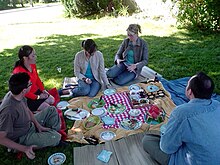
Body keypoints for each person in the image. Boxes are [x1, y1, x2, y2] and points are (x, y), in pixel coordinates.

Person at [142, 72, 220, 165]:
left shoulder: (181, 113)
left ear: (189, 91)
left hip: (192, 161)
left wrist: (167, 132)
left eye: (187, 84)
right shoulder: (217, 105)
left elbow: (166, 148)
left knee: (147, 140)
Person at [0, 73, 61, 160]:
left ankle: (50, 136)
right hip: (21, 137)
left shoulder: (17, 94)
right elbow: (1, 138)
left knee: (51, 110)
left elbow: (27, 109)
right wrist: (24, 149)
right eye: (30, 84)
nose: (31, 85)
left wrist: (38, 125)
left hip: (29, 125)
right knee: (57, 137)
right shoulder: (8, 110)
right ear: (24, 90)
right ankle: (52, 138)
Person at [12, 45, 55, 112]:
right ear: (25, 58)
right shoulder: (19, 72)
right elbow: (24, 92)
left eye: (35, 55)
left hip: (36, 91)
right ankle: (31, 112)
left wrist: (43, 90)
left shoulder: (32, 65)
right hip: (26, 98)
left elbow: (37, 78)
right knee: (47, 108)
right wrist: (38, 97)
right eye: (33, 56)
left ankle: (36, 110)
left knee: (52, 100)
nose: (35, 57)